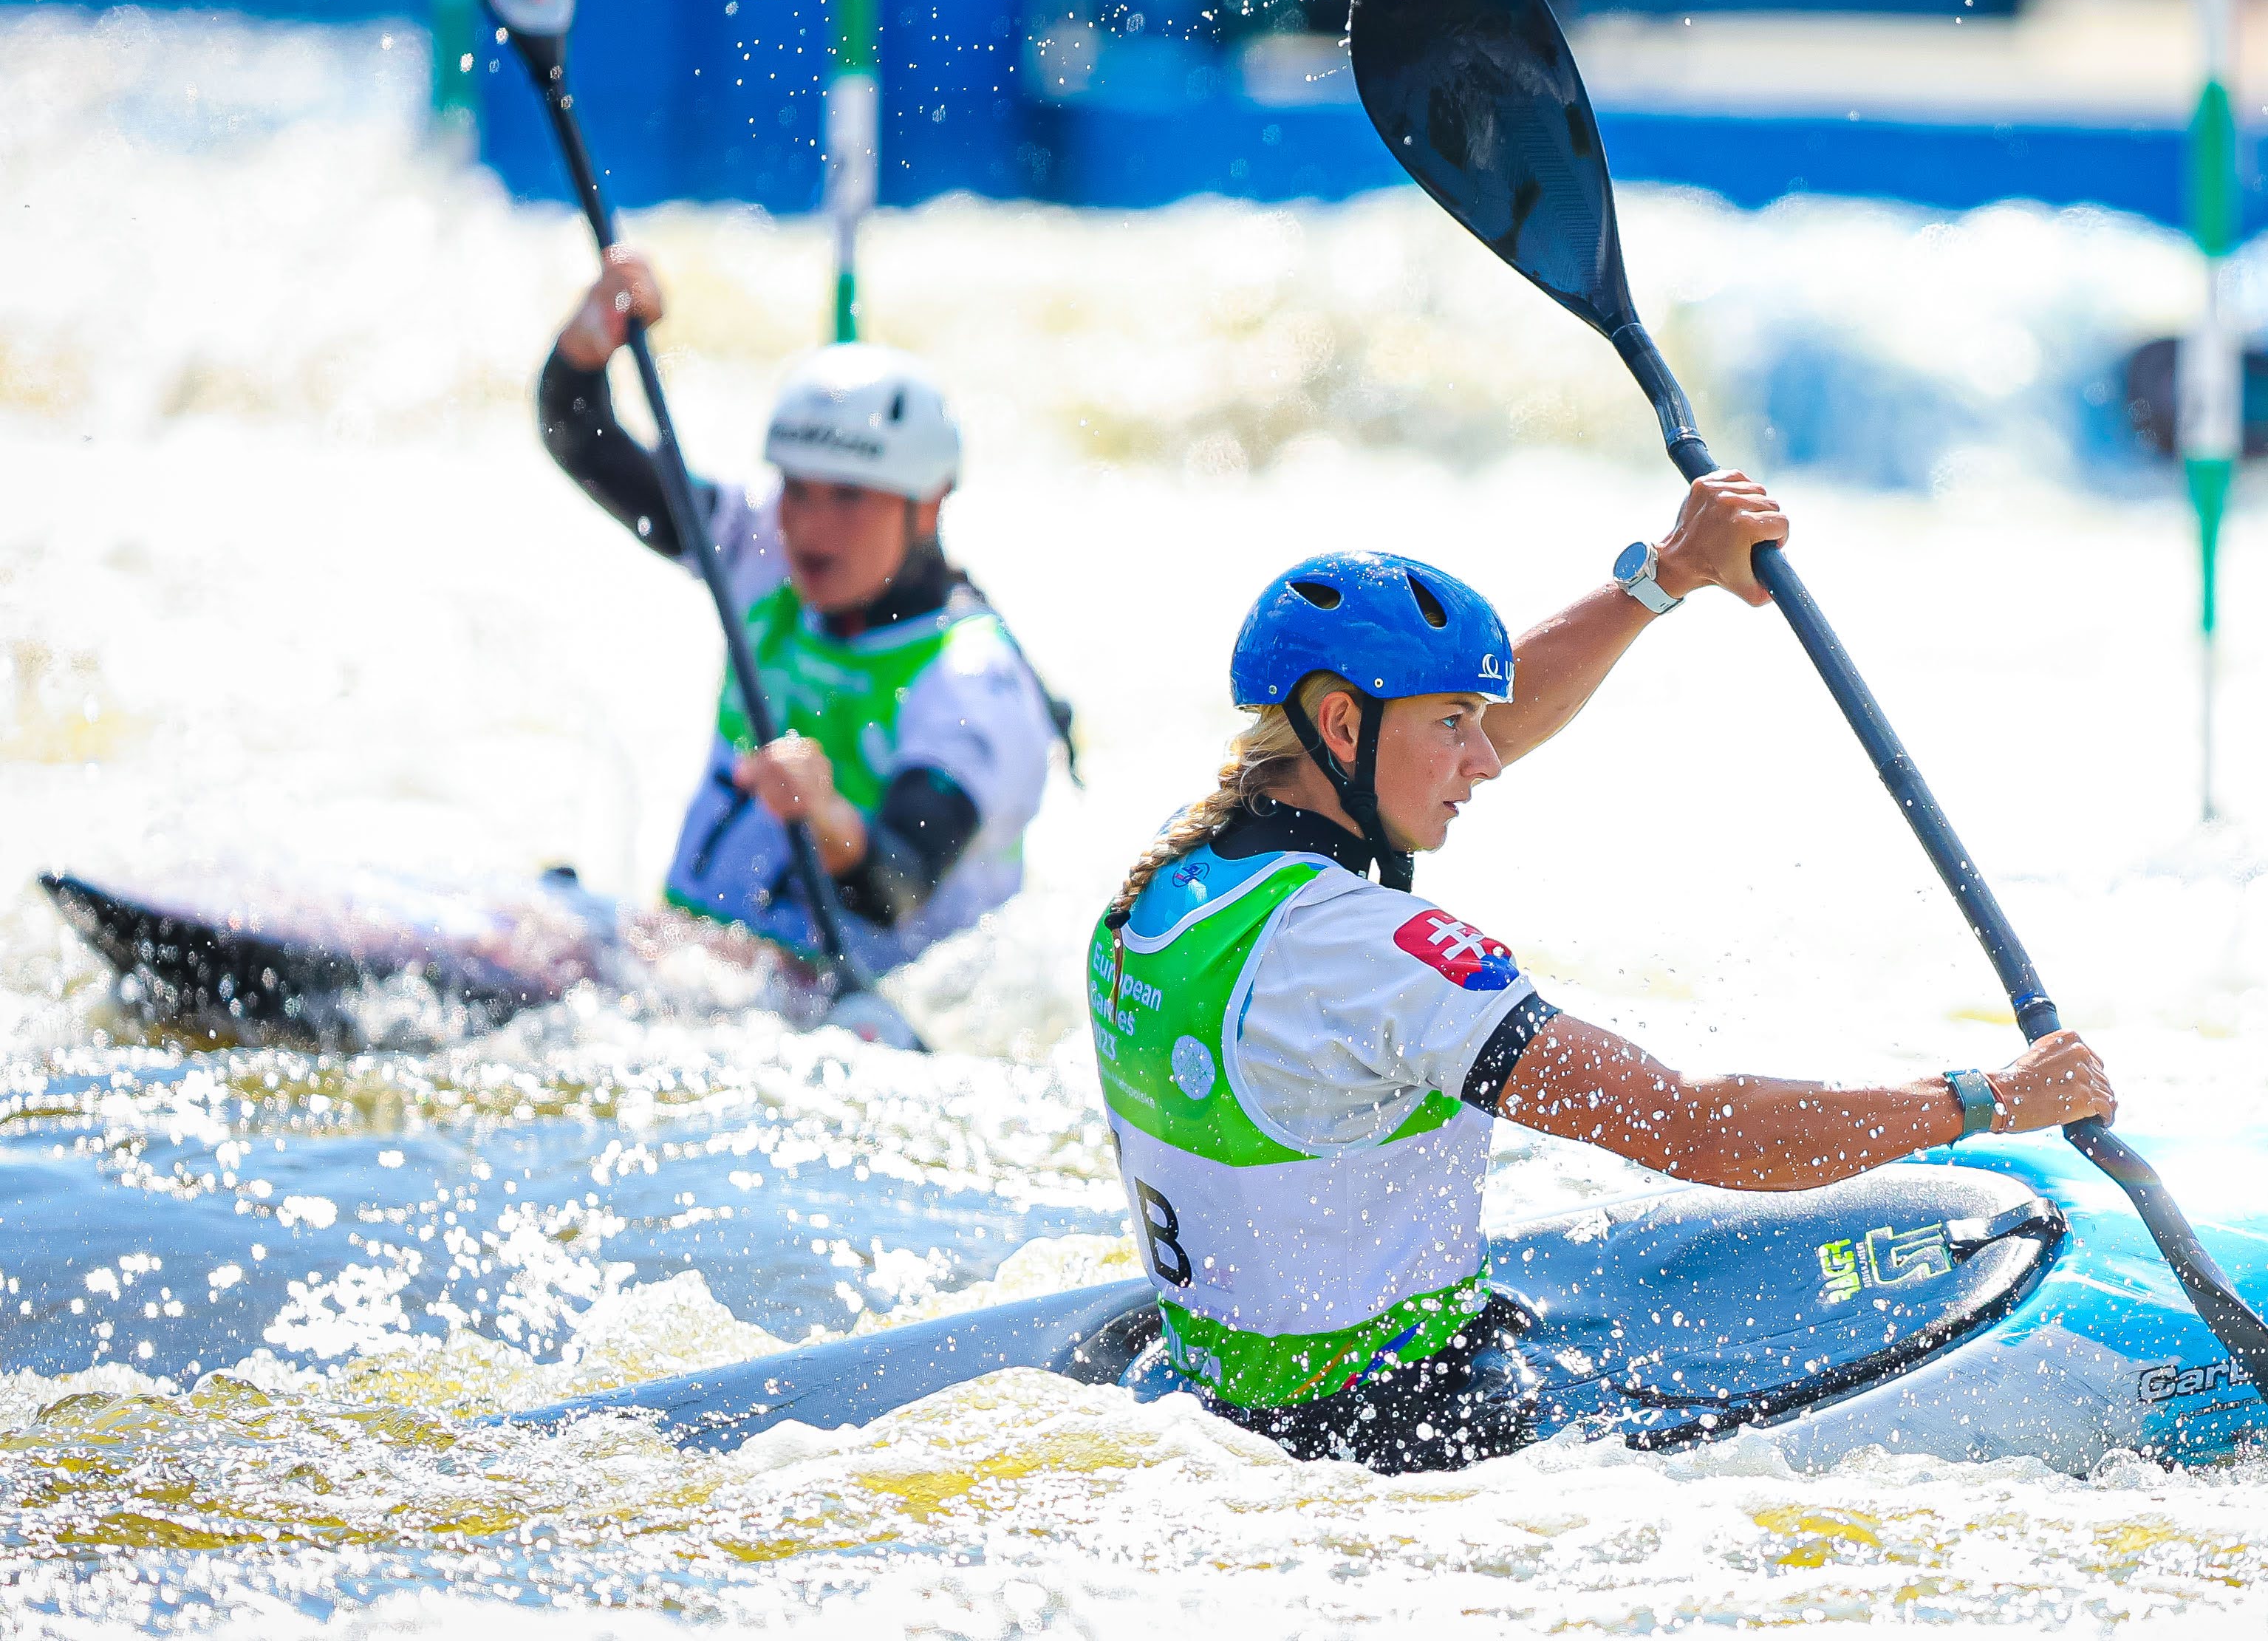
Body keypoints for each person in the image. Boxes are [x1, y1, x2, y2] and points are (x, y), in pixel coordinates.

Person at [1086, 480, 2117, 1472]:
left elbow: (1492, 722)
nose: (1484, 760)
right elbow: (1691, 1128)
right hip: (1412, 1433)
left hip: (1226, 1407)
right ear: (1344, 730)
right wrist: (1989, 1100)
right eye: (1453, 723)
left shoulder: (1180, 881)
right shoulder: (1371, 958)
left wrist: (1664, 578)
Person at [541, 253, 1064, 1044]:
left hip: (826, 1011)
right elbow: (582, 437)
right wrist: (586, 348)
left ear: (928, 506)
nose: (812, 527)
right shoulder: (757, 548)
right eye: (798, 488)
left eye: (849, 496)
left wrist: (825, 813)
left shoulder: (973, 687)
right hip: (683, 961)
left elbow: (897, 883)